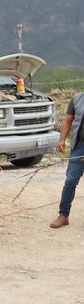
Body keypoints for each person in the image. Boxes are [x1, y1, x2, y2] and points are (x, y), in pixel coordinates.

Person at [51, 90, 84, 229]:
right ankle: (63, 215)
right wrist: (62, 139)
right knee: (70, 180)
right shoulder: (77, 99)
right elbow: (68, 120)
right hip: (79, 146)